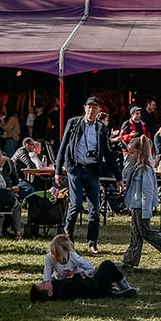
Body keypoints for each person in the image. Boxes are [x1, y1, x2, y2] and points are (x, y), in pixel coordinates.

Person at [56, 95, 116, 253]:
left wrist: (119, 178)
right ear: (85, 108)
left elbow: (109, 154)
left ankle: (92, 243)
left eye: (95, 108)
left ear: (98, 111)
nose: (91, 111)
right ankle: (68, 231)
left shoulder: (101, 129)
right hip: (75, 168)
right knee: (75, 205)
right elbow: (63, 147)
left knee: (94, 209)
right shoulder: (74, 123)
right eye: (89, 108)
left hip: (92, 170)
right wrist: (58, 170)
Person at [120, 136, 161, 268]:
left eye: (132, 153)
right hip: (136, 205)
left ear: (140, 153)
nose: (131, 156)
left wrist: (146, 211)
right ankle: (130, 260)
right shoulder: (137, 168)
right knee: (135, 233)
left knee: (146, 233)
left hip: (141, 207)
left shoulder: (144, 170)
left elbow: (147, 192)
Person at [31, 233, 135, 301]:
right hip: (94, 286)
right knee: (107, 265)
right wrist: (77, 276)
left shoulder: (73, 258)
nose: (44, 281)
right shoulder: (62, 288)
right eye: (42, 284)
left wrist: (79, 274)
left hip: (87, 281)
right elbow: (82, 288)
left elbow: (89, 268)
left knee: (106, 267)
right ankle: (116, 291)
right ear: (50, 293)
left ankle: (121, 288)